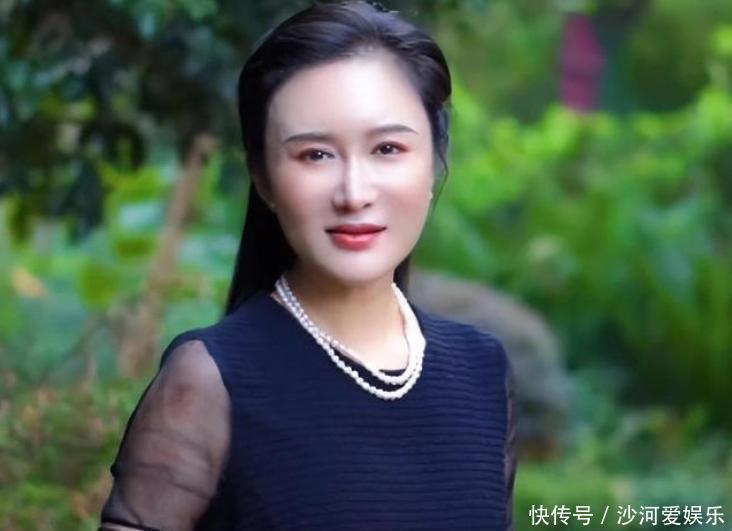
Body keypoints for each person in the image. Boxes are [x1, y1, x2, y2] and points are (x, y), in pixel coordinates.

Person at [98, 1, 517, 529]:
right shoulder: (208, 380)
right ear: (263, 178)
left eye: (388, 148)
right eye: (315, 155)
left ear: (433, 161)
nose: (354, 193)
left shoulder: (481, 370)